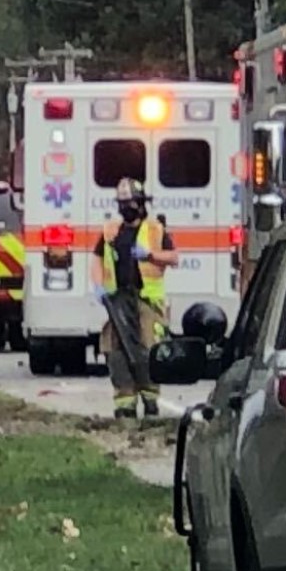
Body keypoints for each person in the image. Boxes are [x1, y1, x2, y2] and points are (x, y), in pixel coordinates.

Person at [91, 178, 178, 418]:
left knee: (147, 351)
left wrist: (150, 255)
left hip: (146, 301)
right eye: (121, 203)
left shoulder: (155, 229)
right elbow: (97, 257)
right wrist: (98, 286)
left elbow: (173, 257)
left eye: (128, 202)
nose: (124, 207)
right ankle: (125, 405)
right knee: (114, 350)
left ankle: (150, 402)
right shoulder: (111, 231)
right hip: (117, 300)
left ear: (139, 203)